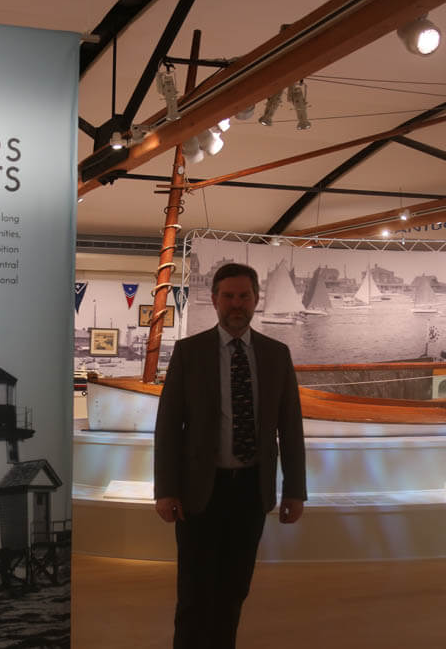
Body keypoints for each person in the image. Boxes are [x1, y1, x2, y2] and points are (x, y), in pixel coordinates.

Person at [154, 262, 307, 649]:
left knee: (234, 589)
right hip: (198, 492)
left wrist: (295, 490)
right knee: (194, 592)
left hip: (250, 492)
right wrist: (165, 490)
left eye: (244, 296)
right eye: (228, 296)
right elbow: (168, 426)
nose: (236, 304)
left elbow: (290, 428)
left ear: (256, 299)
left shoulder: (276, 354)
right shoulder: (190, 352)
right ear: (214, 300)